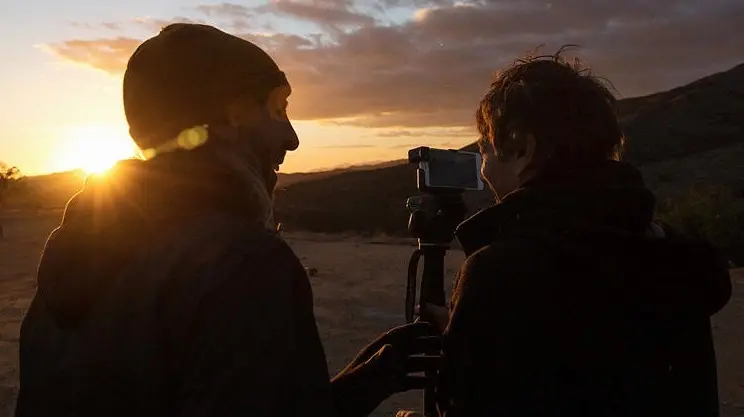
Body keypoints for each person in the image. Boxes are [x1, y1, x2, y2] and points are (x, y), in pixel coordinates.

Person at [15, 23, 440, 417]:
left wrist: (366, 382)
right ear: (233, 115)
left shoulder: (73, 255)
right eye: (278, 109)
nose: (292, 138)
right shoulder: (244, 264)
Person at [408, 50, 733, 417]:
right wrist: (470, 331)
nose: (485, 170)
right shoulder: (671, 253)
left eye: (486, 152)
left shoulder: (502, 272)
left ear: (521, 146)